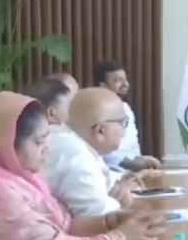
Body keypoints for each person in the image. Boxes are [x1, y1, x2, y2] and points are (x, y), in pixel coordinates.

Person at [0, 92, 165, 240]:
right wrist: (118, 237)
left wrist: (111, 221)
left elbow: (64, 226)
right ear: (7, 143)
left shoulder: (26, 178)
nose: (47, 148)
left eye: (47, 139)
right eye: (38, 142)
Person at [44, 87, 140, 216]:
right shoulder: (76, 155)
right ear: (100, 130)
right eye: (123, 123)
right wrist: (121, 202)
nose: (124, 131)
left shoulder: (68, 138)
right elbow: (99, 215)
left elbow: (107, 183)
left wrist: (120, 186)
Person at [94, 61, 160, 171]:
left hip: (134, 171)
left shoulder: (126, 108)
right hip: (112, 173)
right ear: (103, 86)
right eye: (117, 80)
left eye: (125, 79)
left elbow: (132, 145)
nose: (125, 84)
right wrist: (131, 163)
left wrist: (142, 160)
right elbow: (104, 153)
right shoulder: (96, 110)